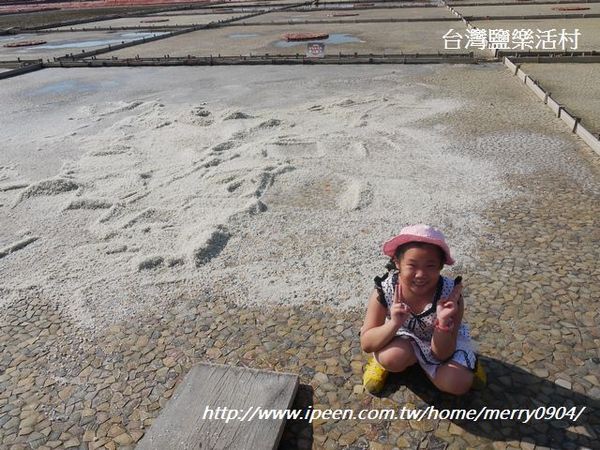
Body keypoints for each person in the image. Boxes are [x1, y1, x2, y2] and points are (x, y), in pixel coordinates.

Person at [360, 224, 486, 395]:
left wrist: (442, 323)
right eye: (412, 265)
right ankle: (384, 362)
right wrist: (394, 324)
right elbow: (366, 343)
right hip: (403, 337)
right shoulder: (384, 290)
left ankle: (466, 361)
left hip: (441, 342)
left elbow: (442, 354)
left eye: (430, 266)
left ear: (441, 266)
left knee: (458, 383)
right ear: (397, 262)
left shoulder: (450, 297)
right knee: (391, 358)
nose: (420, 274)